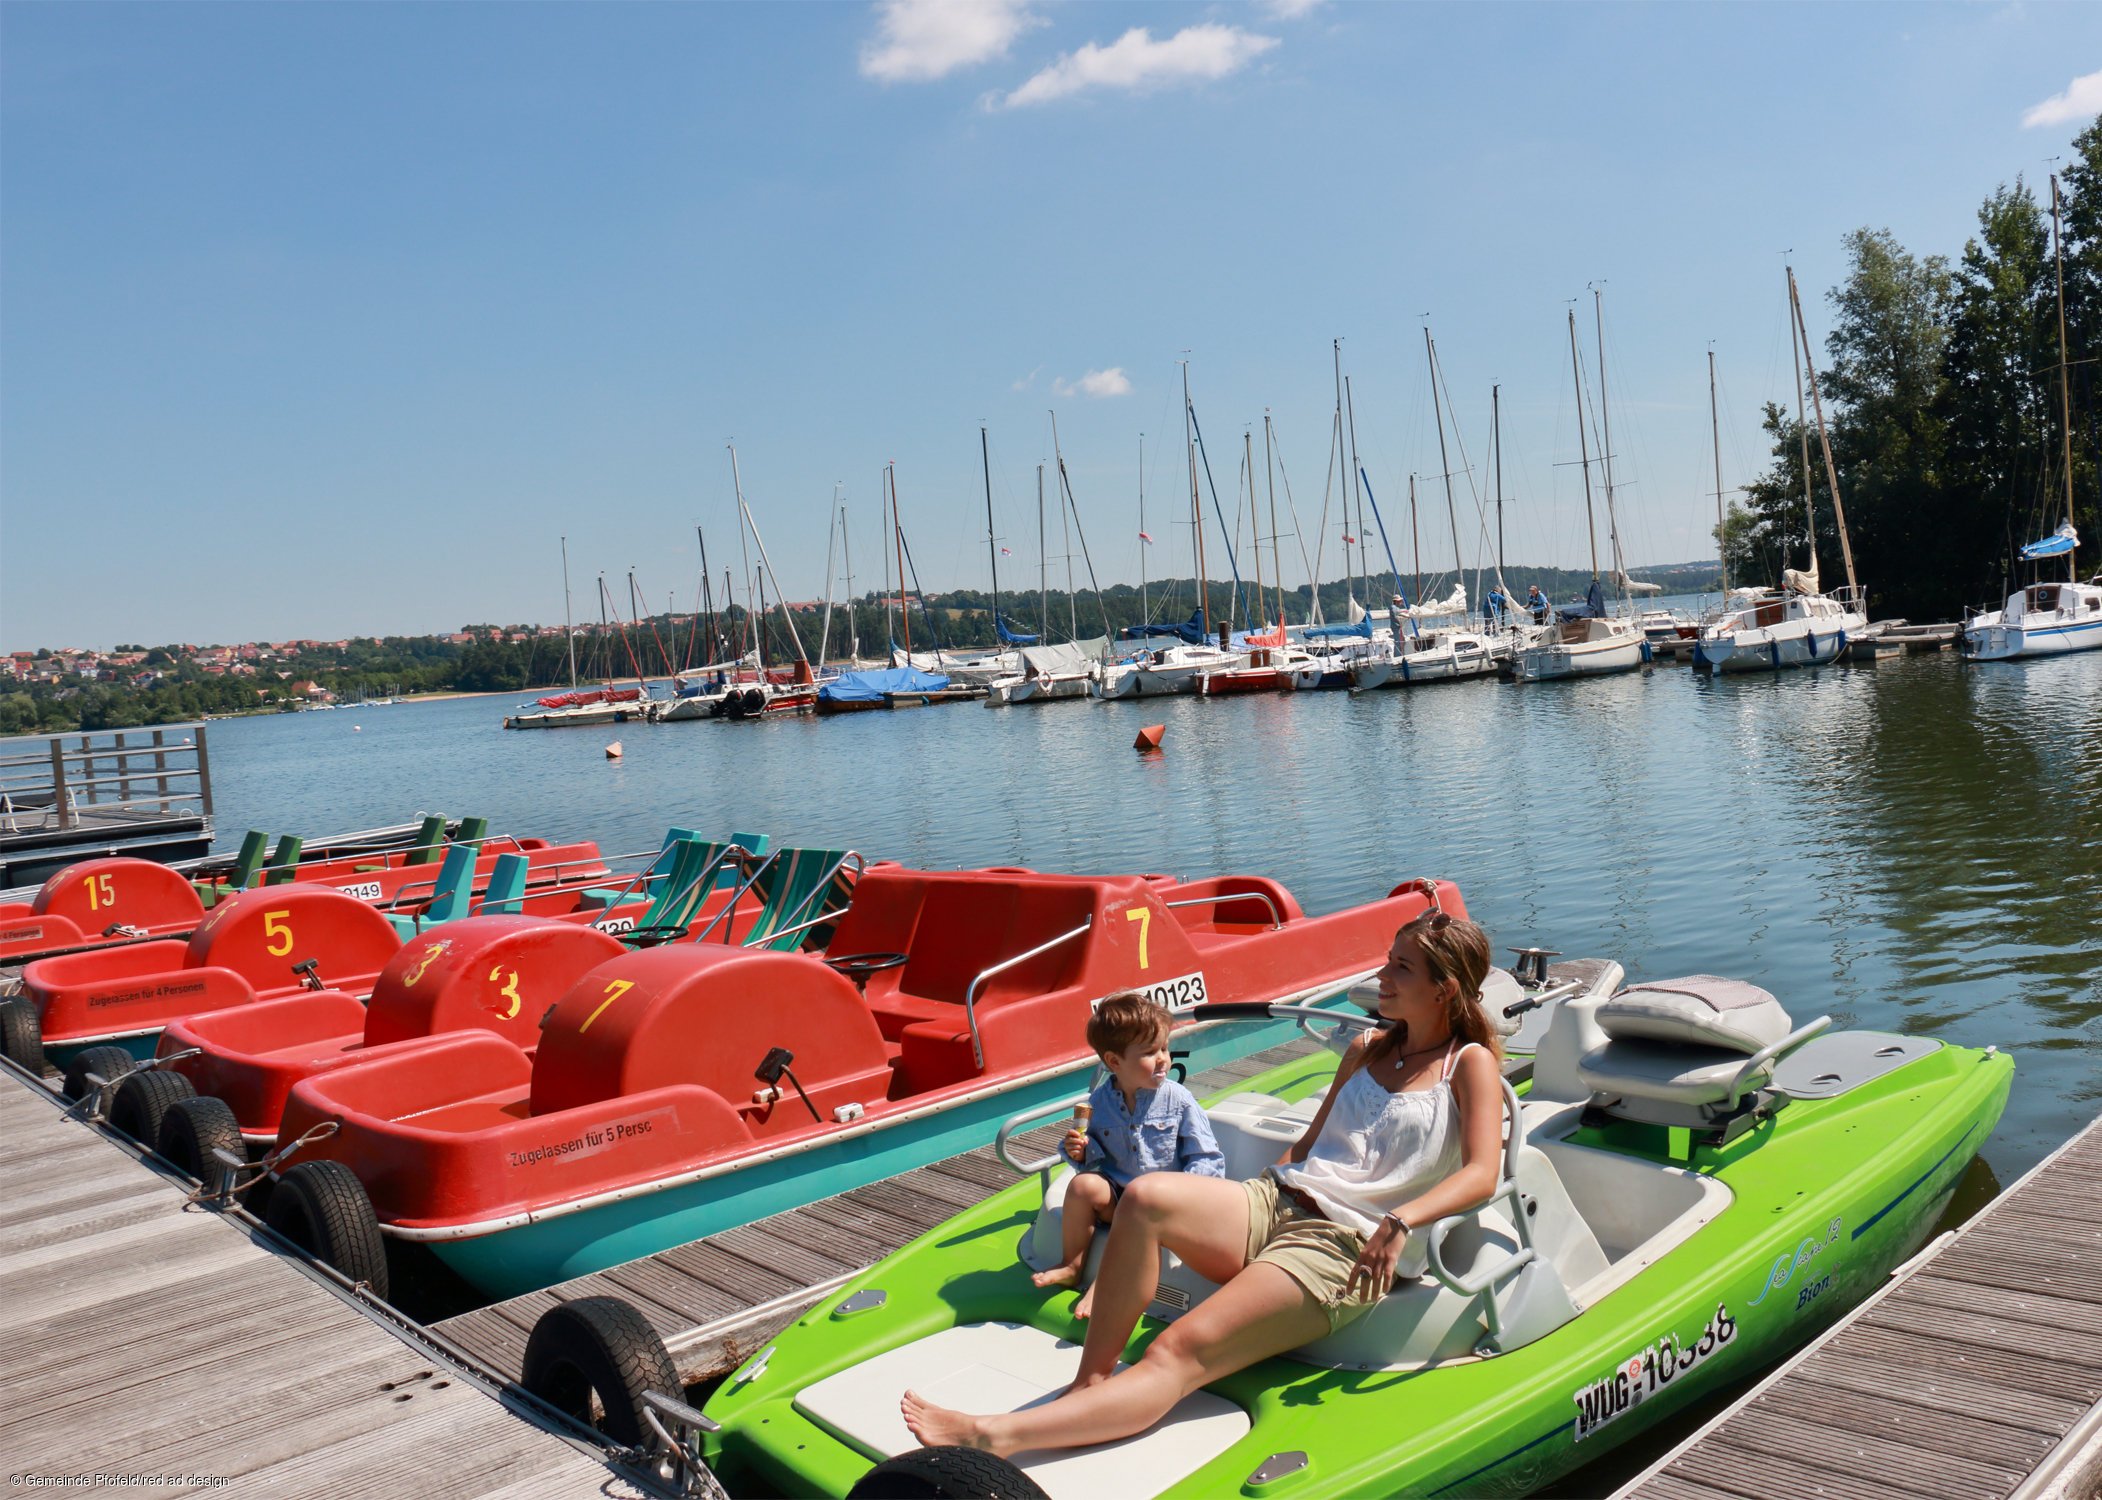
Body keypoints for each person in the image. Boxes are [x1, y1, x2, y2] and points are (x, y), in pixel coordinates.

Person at [903, 908, 1505, 1458]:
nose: (1383, 975)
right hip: (1279, 1200)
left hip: (1344, 1245)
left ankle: (992, 1437)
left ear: (1444, 987)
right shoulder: (1367, 1045)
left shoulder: (1467, 1063)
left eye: (1400, 967)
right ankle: (1089, 1384)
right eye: (1388, 960)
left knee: (1176, 1353)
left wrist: (1403, 1220)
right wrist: (1237, 1200)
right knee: (1143, 1197)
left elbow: (1482, 1173)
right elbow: (1310, 1144)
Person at [1031, 992, 1224, 1316]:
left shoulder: (1179, 1100)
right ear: (1114, 1062)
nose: (1163, 1058)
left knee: (1139, 1206)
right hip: (1120, 1196)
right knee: (1082, 1187)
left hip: (1167, 1202)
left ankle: (1103, 1285)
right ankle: (1071, 1264)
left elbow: (1207, 1157)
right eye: (1150, 1052)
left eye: (1164, 1047)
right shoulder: (1099, 1104)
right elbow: (1094, 1163)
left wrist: (1183, 1193)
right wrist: (1079, 1152)